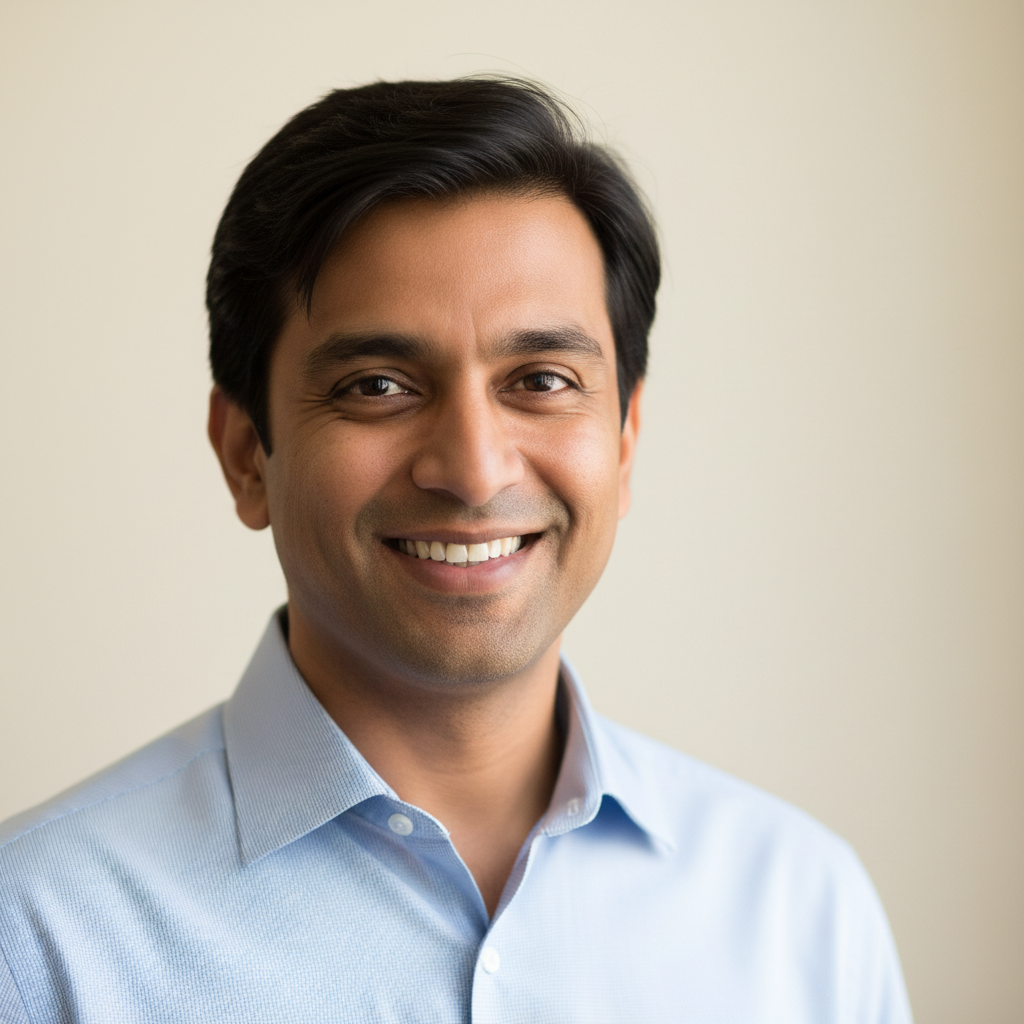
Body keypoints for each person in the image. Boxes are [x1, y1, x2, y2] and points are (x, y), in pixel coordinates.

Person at [0, 77, 913, 1023]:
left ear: (627, 440)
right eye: (379, 385)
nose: (475, 472)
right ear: (246, 456)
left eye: (543, 379)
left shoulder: (804, 915)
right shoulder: (35, 938)